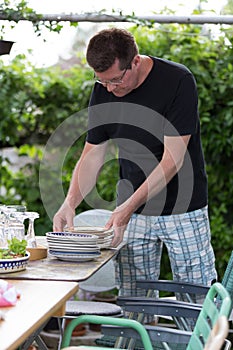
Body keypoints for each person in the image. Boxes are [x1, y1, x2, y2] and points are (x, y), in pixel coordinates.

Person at [53, 28, 217, 299]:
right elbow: (92, 154)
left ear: (136, 61)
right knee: (133, 301)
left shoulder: (177, 80)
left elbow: (172, 159)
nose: (110, 88)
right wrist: (69, 202)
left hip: (184, 209)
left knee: (196, 299)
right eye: (102, 81)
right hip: (132, 212)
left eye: (116, 80)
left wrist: (128, 207)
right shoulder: (103, 89)